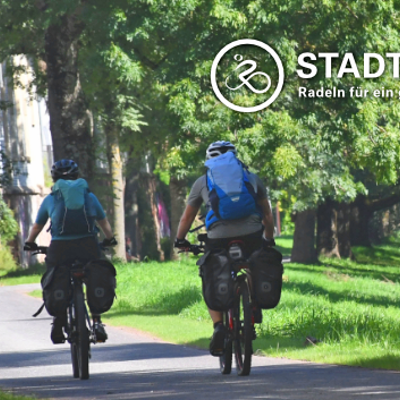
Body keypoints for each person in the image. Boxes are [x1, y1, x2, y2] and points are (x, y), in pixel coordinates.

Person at [174, 141, 275, 356]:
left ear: (210, 160)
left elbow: (187, 217)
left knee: (210, 273)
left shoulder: (203, 182)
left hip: (218, 237)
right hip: (251, 233)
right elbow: (267, 215)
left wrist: (180, 240)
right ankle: (254, 305)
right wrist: (268, 238)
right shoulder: (252, 178)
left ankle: (219, 326)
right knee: (253, 263)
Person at [24, 159, 117, 344]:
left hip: (60, 247)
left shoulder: (50, 199)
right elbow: (103, 222)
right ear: (77, 176)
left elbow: (37, 227)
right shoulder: (89, 197)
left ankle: (58, 324)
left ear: (55, 178)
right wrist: (109, 239)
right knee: (94, 273)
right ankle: (97, 321)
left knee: (55, 274)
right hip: (88, 244)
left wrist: (29, 243)